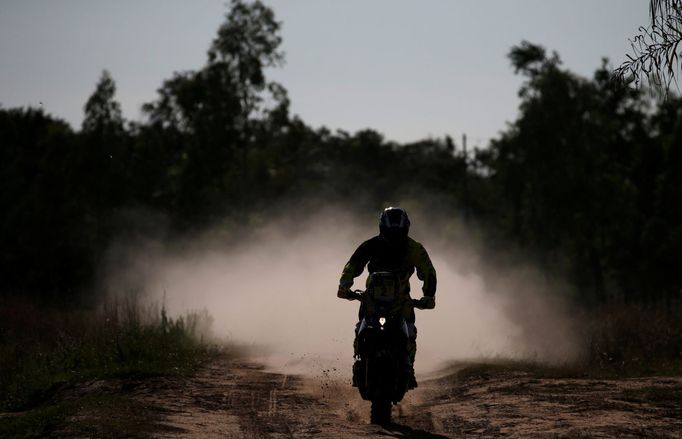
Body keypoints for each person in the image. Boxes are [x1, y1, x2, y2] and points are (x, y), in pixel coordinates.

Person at [337, 206, 436, 388]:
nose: (395, 239)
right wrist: (344, 286)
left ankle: (408, 367)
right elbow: (352, 265)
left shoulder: (415, 249)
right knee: (361, 327)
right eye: (391, 233)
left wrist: (429, 296)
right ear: (382, 229)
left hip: (402, 302)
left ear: (406, 230)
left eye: (398, 234)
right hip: (371, 300)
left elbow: (428, 271)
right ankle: (359, 362)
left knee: (410, 332)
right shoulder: (370, 245)